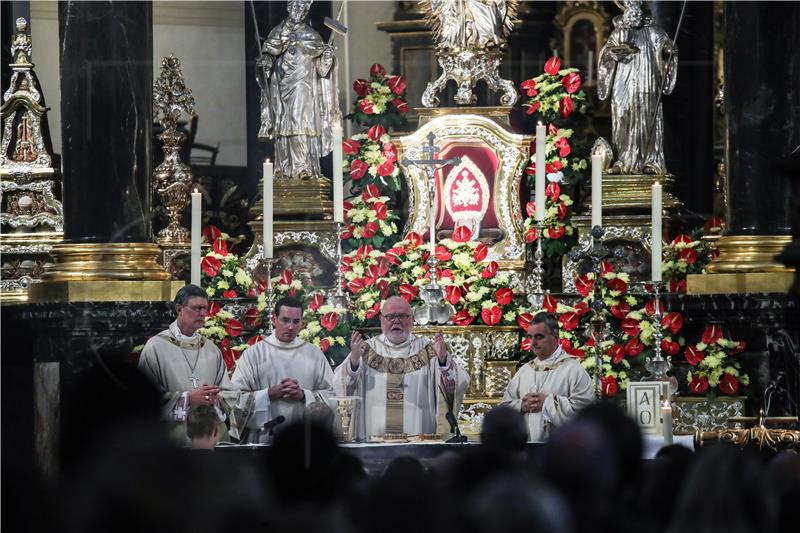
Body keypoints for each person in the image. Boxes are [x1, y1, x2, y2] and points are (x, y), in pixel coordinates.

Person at [333, 296, 470, 439]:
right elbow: (339, 384)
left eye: (402, 316)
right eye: (390, 317)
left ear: (412, 319)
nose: (396, 321)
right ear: (381, 320)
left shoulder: (429, 350)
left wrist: (443, 361)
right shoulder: (365, 349)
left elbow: (460, 382)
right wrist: (354, 363)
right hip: (374, 441)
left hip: (419, 440)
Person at [138, 284, 246, 442]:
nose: (202, 313)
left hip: (210, 435)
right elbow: (144, 398)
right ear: (179, 309)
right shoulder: (155, 348)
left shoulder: (211, 349)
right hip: (174, 438)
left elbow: (229, 393)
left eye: (205, 308)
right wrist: (187, 399)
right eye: (197, 308)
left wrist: (216, 398)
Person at [231, 296, 334, 443]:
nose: (291, 327)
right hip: (265, 439)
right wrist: (269, 394)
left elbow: (333, 396)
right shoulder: (254, 354)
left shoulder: (314, 354)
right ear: (274, 319)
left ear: (302, 323)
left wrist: (304, 395)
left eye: (296, 321)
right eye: (285, 320)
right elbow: (234, 400)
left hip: (305, 441)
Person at [256, 0, 338, 180]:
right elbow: (268, 56)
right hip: (281, 87)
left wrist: (327, 58)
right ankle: (284, 168)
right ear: (287, 7)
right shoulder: (277, 32)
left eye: (300, 7)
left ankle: (303, 167)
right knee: (282, 124)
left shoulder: (312, 35)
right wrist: (266, 63)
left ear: (306, 10)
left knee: (299, 122)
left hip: (304, 86)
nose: (296, 10)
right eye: (293, 6)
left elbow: (323, 70)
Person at [597, 0, 678, 174]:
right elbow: (606, 55)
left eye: (636, 12)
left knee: (646, 117)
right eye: (630, 11)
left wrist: (669, 50)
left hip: (646, 83)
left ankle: (649, 160)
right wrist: (612, 53)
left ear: (642, 12)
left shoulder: (654, 32)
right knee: (621, 114)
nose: (633, 15)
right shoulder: (619, 33)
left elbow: (666, 47)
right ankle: (622, 160)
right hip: (623, 82)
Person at [500, 312, 594, 441]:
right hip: (527, 451)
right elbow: (504, 409)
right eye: (530, 337)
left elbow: (586, 413)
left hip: (561, 451)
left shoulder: (573, 370)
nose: (533, 342)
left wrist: (548, 403)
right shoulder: (524, 371)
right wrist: (522, 406)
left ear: (555, 338)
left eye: (539, 337)